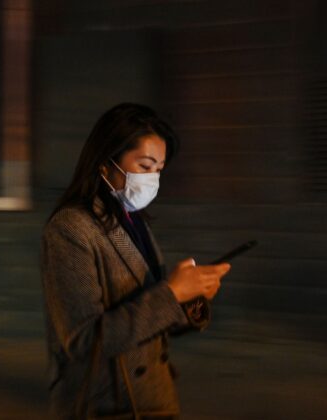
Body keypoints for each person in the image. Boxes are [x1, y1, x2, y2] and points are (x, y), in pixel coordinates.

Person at [40, 103, 231, 419]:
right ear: (105, 162)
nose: (153, 179)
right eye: (145, 166)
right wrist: (171, 295)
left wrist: (190, 297)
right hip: (107, 403)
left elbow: (149, 314)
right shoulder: (70, 229)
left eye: (159, 169)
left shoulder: (132, 221)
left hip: (150, 398)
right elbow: (84, 342)